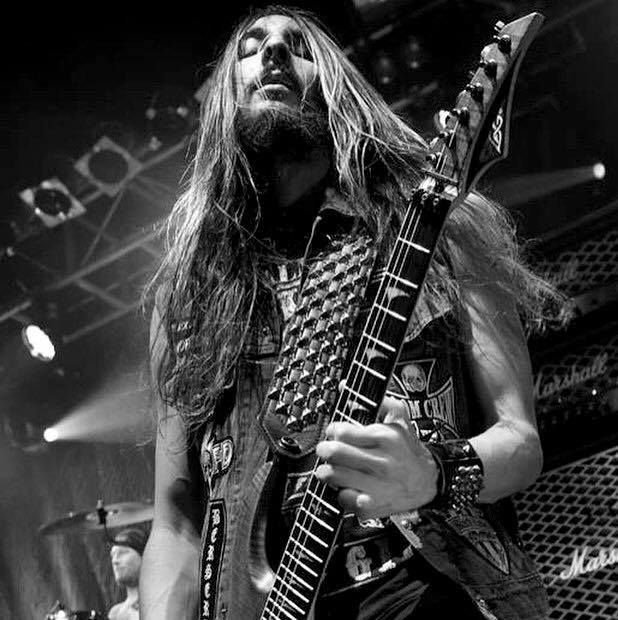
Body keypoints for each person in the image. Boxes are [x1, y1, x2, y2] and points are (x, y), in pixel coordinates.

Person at [141, 5, 559, 619]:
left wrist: (434, 473)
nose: (273, 52)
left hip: (428, 594)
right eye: (251, 47)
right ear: (223, 99)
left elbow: (519, 442)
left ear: (338, 85)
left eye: (298, 46)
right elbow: (176, 521)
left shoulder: (441, 229)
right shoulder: (188, 294)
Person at [108, 527, 148, 620]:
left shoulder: (164, 602)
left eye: (122, 553)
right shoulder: (115, 613)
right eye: (113, 555)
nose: (115, 561)